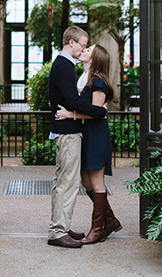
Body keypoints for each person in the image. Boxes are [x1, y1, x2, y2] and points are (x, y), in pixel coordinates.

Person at [47, 26, 108, 248]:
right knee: (67, 183)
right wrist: (100, 111)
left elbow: (64, 99)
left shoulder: (63, 65)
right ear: (71, 42)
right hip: (68, 132)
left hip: (66, 131)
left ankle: (60, 225)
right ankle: (58, 231)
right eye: (83, 43)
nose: (84, 47)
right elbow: (73, 101)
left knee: (63, 181)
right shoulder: (64, 66)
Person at [55, 44, 121, 243]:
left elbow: (96, 112)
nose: (83, 50)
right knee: (85, 181)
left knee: (97, 183)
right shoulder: (84, 79)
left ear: (93, 59)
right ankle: (110, 220)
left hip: (96, 136)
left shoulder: (98, 82)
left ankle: (97, 228)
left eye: (87, 50)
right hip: (85, 135)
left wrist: (70, 114)